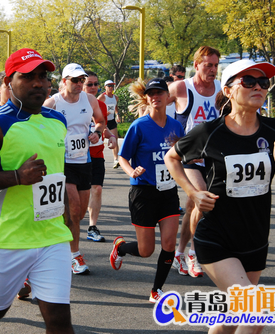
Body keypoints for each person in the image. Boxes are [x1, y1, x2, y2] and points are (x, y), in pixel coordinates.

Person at [165, 59, 275, 334]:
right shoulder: (209, 131)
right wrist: (194, 192)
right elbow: (172, 157)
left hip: (255, 236)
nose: (258, 87)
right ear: (228, 90)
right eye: (248, 82)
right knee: (255, 313)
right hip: (216, 235)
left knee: (232, 317)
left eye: (263, 83)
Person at [0, 48, 74, 334]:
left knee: (59, 320)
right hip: (9, 237)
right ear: (9, 82)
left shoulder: (57, 121)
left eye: (43, 76)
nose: (38, 83)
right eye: (28, 76)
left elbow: (56, 174)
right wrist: (17, 177)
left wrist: (66, 213)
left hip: (52, 236)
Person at [109, 78, 184, 303]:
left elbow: (179, 156)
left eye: (160, 92)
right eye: (151, 93)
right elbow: (123, 156)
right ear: (147, 97)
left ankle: (156, 290)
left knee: (169, 243)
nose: (155, 96)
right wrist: (131, 171)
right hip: (143, 192)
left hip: (168, 191)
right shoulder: (139, 126)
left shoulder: (175, 126)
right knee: (146, 250)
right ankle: (121, 247)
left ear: (168, 97)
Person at [43, 63, 105, 275]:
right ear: (64, 81)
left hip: (83, 160)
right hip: (62, 162)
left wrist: (97, 132)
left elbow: (101, 121)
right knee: (74, 209)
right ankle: (74, 255)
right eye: (75, 80)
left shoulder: (89, 99)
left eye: (82, 80)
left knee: (77, 216)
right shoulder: (52, 102)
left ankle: (59, 240)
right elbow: (36, 125)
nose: (80, 84)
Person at [168, 46, 221, 278]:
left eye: (216, 65)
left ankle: (180, 253)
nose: (213, 70)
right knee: (202, 198)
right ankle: (193, 253)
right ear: (196, 64)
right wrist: (166, 135)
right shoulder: (181, 87)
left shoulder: (221, 89)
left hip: (213, 156)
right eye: (208, 64)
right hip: (188, 156)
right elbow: (154, 106)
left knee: (193, 207)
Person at [83, 71, 117, 242]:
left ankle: (92, 227)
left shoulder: (101, 105)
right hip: (75, 157)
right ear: (81, 84)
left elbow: (102, 126)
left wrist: (110, 136)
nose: (94, 87)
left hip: (96, 154)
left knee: (97, 189)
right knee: (75, 194)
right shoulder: (71, 104)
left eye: (96, 84)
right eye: (90, 84)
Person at [98, 80, 120, 168]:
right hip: (102, 121)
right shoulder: (102, 97)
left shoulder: (116, 97)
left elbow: (115, 106)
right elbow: (95, 107)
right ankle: (99, 159)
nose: (111, 87)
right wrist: (104, 113)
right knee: (100, 141)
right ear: (105, 87)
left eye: (112, 86)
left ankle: (116, 159)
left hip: (111, 121)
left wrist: (117, 114)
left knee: (115, 139)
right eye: (109, 86)